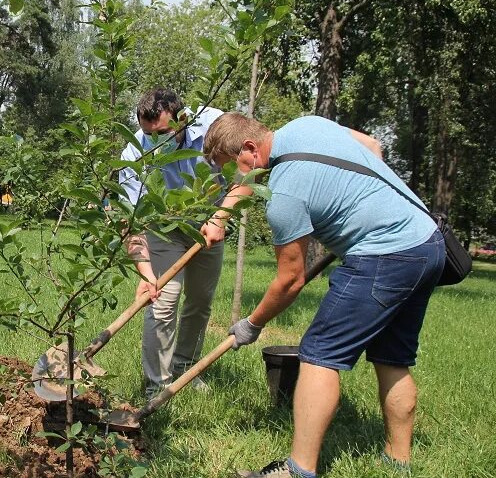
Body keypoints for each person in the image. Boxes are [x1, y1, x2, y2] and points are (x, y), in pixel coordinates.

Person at [203, 113, 444, 478]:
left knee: (319, 354)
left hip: (385, 254)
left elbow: (290, 281)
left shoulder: (284, 193)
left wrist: (252, 325)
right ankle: (397, 462)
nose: (235, 179)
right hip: (426, 241)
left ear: (250, 149)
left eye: (232, 168)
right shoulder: (305, 126)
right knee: (392, 356)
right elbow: (374, 147)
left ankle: (298, 470)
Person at [118, 88, 252, 399]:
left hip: (209, 227)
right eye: (148, 133)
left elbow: (248, 173)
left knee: (200, 302)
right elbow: (131, 219)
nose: (155, 140)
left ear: (183, 120)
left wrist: (220, 217)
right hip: (164, 229)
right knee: (163, 304)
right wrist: (146, 272)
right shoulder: (134, 154)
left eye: (163, 132)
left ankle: (185, 368)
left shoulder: (215, 126)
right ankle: (158, 385)